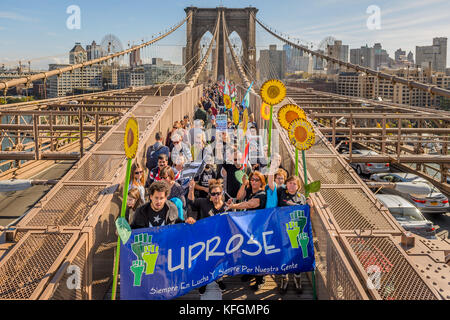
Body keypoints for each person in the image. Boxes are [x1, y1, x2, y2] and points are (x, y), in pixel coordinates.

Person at [267, 171, 311, 294]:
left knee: (296, 255)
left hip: (296, 232)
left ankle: (297, 279)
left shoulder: (302, 198)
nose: (292, 186)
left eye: (294, 184)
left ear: (298, 186)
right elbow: (271, 184)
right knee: (284, 255)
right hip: (282, 230)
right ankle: (284, 279)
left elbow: (307, 216)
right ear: (286, 184)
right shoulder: (281, 192)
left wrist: (310, 206)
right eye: (290, 183)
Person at [226, 171, 267, 291]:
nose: (254, 182)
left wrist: (233, 207)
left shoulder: (262, 194)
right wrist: (244, 184)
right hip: (246, 226)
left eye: (257, 180)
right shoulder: (249, 190)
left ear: (261, 182)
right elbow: (239, 197)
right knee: (247, 251)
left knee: (257, 252)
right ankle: (250, 272)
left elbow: (250, 204)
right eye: (252, 179)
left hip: (258, 227)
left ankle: (260, 278)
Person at [186, 179, 228, 294]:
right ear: (209, 194)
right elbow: (191, 202)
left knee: (217, 261)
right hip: (204, 239)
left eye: (218, 193)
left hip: (219, 240)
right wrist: (191, 188)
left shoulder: (226, 207)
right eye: (213, 194)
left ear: (222, 193)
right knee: (203, 261)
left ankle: (219, 280)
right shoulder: (203, 202)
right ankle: (203, 282)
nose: (216, 196)